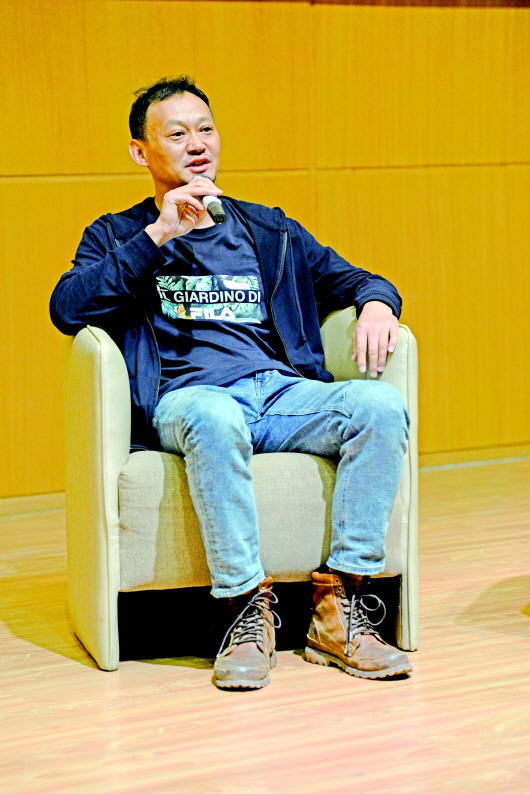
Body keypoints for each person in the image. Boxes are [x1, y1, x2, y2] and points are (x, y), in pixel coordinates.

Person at [50, 75, 412, 690]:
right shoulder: (117, 235)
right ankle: (245, 610)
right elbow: (68, 307)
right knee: (214, 416)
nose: (197, 144)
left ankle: (339, 607)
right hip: (190, 400)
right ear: (141, 151)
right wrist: (160, 234)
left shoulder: (267, 230)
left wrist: (379, 303)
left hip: (280, 394)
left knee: (378, 404)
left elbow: (357, 278)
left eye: (206, 129)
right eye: (177, 134)